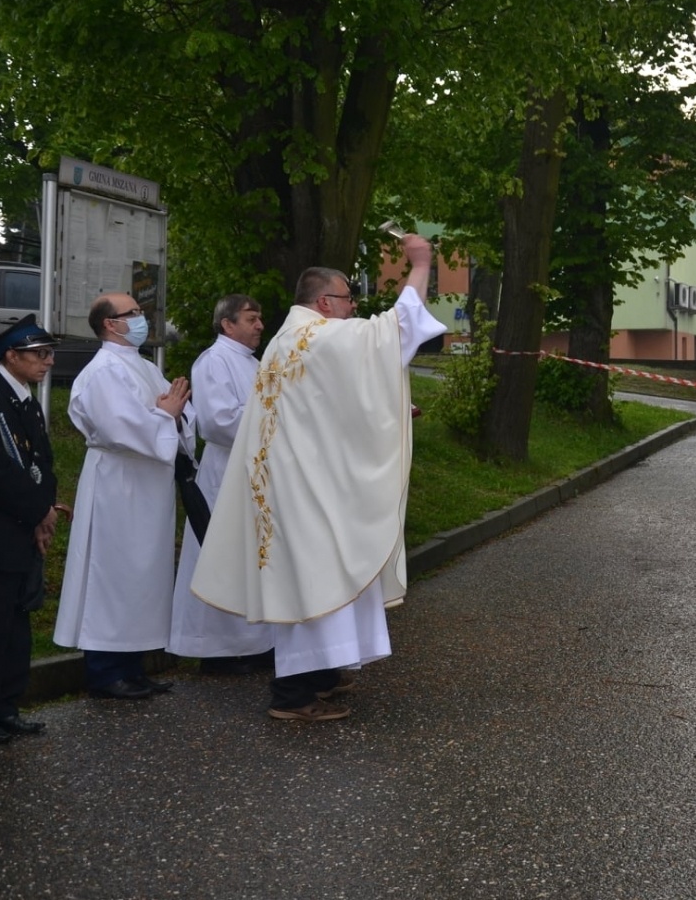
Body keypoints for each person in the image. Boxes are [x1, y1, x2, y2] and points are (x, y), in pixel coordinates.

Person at [192, 234, 446, 722]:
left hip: (295, 481)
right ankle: (292, 696)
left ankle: (322, 676)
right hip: (303, 488)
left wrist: (392, 410)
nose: (353, 307)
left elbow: (331, 406)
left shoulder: (288, 341)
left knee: (315, 577)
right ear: (325, 301)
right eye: (349, 298)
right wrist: (420, 264)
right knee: (309, 581)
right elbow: (396, 330)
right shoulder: (316, 336)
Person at [55, 293, 192, 700]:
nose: (141, 318)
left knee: (142, 575)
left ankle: (132, 666)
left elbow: (176, 411)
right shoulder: (102, 373)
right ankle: (104, 671)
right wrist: (164, 415)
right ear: (110, 324)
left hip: (148, 484)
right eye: (131, 313)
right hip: (117, 482)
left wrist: (178, 412)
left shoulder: (145, 366)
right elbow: (119, 428)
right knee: (112, 573)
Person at [0, 317, 60, 743]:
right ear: (11, 356)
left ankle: (7, 705)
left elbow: (44, 460)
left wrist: (45, 509)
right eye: (38, 354)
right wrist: (37, 509)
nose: (48, 361)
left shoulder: (25, 401)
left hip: (22, 527)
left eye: (48, 353)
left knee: (17, 625)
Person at [168, 294, 274, 675]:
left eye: (260, 318)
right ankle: (216, 650)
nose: (259, 325)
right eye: (251, 318)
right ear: (227, 324)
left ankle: (256, 644)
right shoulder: (214, 361)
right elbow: (217, 421)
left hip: (255, 470)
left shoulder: (255, 362)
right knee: (222, 557)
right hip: (227, 470)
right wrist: (274, 419)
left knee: (252, 557)